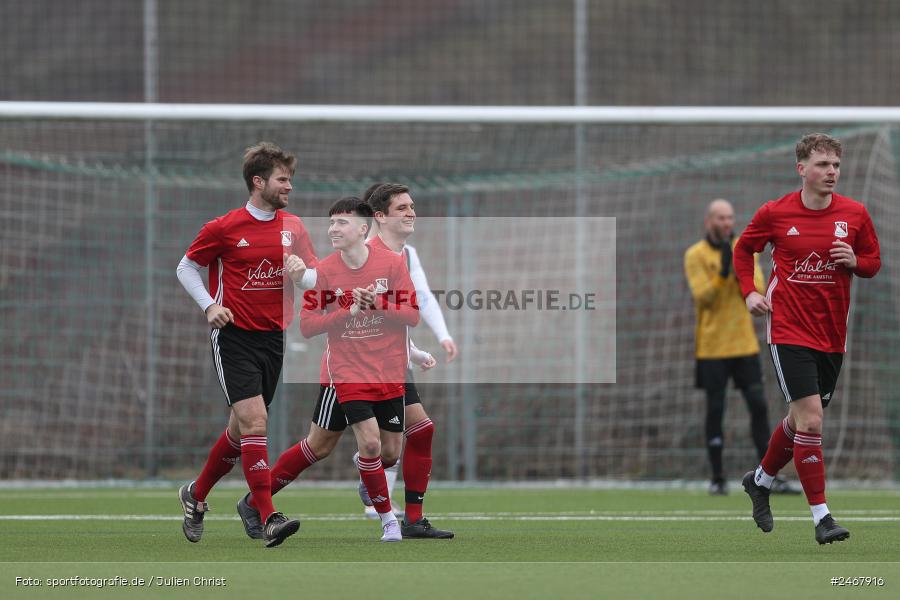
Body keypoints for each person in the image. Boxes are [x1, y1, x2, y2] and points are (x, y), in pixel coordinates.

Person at [236, 185, 455, 540]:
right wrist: (304, 278)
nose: (411, 213)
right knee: (321, 446)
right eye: (403, 208)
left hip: (388, 367)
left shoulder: (400, 258)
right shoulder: (344, 260)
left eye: (412, 207)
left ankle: (405, 512)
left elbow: (410, 311)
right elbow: (314, 290)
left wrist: (411, 348)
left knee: (399, 439)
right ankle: (256, 500)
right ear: (378, 219)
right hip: (347, 371)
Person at [735, 133, 880, 544]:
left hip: (833, 335)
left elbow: (873, 262)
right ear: (802, 169)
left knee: (801, 421)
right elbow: (744, 251)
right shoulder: (775, 212)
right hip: (788, 330)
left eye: (835, 164)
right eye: (822, 164)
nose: (831, 171)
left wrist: (857, 261)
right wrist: (749, 291)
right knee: (812, 419)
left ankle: (760, 481)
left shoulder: (855, 214)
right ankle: (822, 517)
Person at [175, 142, 317, 548]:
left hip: (273, 338)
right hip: (233, 337)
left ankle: (196, 495)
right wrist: (209, 306)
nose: (289, 186)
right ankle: (268, 515)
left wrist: (302, 272)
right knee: (256, 423)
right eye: (282, 179)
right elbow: (186, 266)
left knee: (241, 432)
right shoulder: (224, 227)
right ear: (259, 182)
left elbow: (315, 278)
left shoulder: (294, 227)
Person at [300, 196, 419, 541]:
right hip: (348, 373)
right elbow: (308, 326)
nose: (332, 229)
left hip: (388, 374)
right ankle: (388, 521)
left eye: (341, 223)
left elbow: (412, 315)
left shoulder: (393, 264)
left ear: (363, 229)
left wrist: (377, 303)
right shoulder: (323, 271)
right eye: (331, 222)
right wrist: (347, 314)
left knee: (390, 452)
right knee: (369, 445)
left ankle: (369, 471)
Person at [684, 199, 798, 496]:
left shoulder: (743, 250)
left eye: (730, 217)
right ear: (708, 221)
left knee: (759, 407)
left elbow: (757, 286)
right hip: (711, 347)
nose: (726, 223)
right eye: (720, 218)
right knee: (716, 410)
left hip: (744, 345)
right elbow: (703, 297)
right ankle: (718, 477)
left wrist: (735, 267)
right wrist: (722, 274)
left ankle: (768, 475)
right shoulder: (695, 255)